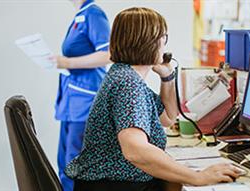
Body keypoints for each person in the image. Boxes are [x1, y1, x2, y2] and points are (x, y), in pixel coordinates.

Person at [64, 7, 240, 191]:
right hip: (115, 186)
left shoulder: (125, 75)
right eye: (164, 38)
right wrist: (197, 177)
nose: (165, 45)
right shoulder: (127, 84)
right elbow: (135, 151)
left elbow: (168, 118)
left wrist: (167, 77)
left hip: (117, 183)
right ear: (151, 41)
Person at [53, 0, 110, 190]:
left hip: (85, 102)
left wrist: (67, 62)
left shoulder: (93, 14)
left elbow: (107, 54)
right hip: (71, 101)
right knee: (64, 162)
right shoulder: (81, 15)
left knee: (74, 164)